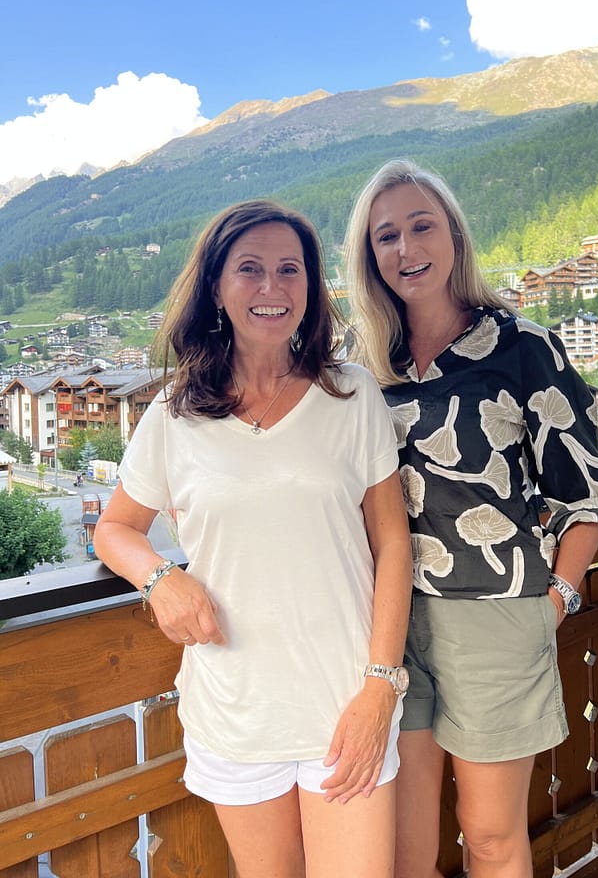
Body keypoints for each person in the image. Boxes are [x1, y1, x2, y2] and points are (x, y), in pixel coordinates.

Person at [94, 200, 413, 878]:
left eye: (289, 270)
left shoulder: (351, 397)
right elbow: (115, 528)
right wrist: (160, 578)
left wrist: (381, 688)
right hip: (235, 714)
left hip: (344, 708)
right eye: (251, 270)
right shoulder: (173, 413)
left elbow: (392, 547)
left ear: (310, 286)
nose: (272, 288)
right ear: (216, 287)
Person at [344, 161, 598, 878]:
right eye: (386, 236)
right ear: (368, 255)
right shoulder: (364, 361)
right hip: (389, 625)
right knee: (406, 848)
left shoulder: (522, 349)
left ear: (453, 236)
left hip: (497, 618)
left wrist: (557, 598)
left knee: (491, 838)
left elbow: (588, 493)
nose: (406, 249)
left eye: (421, 226)